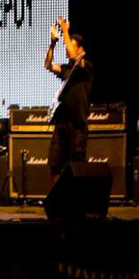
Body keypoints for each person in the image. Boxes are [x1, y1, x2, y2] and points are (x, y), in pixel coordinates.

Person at [44, 17, 94, 186]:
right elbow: (48, 65)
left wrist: (65, 30)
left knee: (76, 167)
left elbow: (73, 56)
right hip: (61, 124)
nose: (67, 50)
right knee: (54, 165)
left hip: (77, 126)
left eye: (69, 46)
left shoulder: (86, 67)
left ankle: (75, 198)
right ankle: (57, 197)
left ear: (80, 49)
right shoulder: (66, 69)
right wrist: (53, 44)